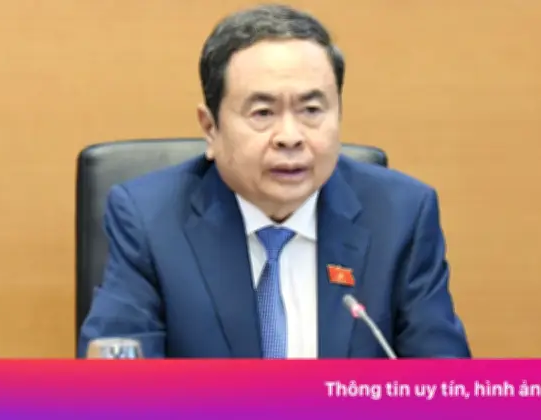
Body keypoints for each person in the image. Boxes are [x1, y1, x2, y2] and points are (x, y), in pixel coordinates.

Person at [78, 4, 471, 358]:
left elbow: (446, 388)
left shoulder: (401, 217)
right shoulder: (150, 221)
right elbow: (116, 387)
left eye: (311, 110)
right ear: (210, 128)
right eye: (263, 113)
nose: (290, 137)